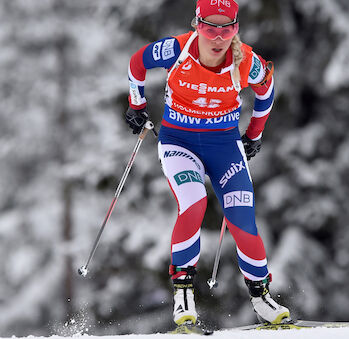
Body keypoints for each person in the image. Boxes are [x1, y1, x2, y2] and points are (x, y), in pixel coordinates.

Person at [124, 0, 289, 327]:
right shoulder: (176, 50)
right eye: (209, 27)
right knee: (194, 204)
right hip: (178, 143)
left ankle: (261, 297)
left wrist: (254, 134)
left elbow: (266, 90)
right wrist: (136, 104)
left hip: (225, 147)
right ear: (197, 24)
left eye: (225, 28)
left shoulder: (245, 62)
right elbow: (136, 63)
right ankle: (183, 294)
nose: (217, 36)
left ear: (235, 29)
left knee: (242, 219)